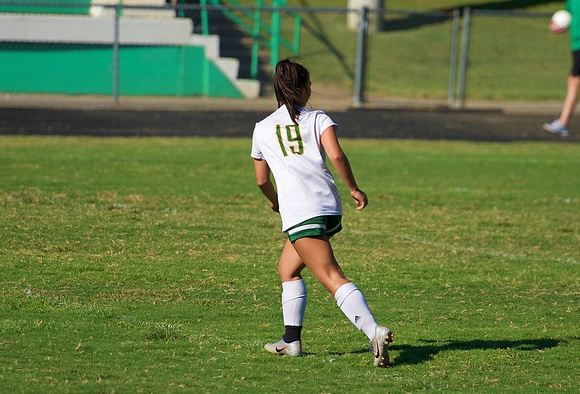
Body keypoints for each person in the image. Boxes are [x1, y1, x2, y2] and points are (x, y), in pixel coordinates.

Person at [250, 58, 393, 367]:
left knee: (330, 275)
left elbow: (261, 179)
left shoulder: (262, 128)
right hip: (327, 207)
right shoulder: (318, 118)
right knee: (287, 268)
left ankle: (374, 331)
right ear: (301, 90)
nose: (312, 91)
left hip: (301, 211)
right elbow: (336, 155)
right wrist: (354, 188)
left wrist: (275, 201)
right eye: (310, 86)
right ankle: (290, 341)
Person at [543, 1, 580, 137]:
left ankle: (562, 123)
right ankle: (562, 123)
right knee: (573, 81)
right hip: (576, 45)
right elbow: (567, 16)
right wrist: (557, 24)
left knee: (574, 80)